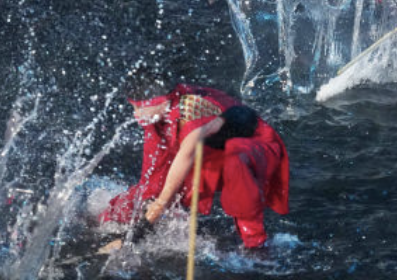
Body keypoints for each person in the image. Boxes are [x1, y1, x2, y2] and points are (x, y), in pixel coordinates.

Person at [102, 81, 290, 249]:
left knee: (236, 161)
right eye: (132, 108)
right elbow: (154, 173)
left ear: (159, 102)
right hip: (205, 146)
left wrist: (135, 236)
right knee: (152, 185)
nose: (135, 115)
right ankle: (109, 216)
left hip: (244, 147)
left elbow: (180, 167)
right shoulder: (159, 116)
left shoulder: (193, 113)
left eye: (138, 108)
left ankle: (255, 243)